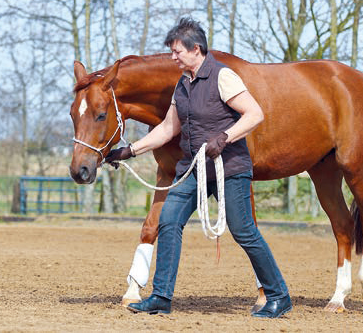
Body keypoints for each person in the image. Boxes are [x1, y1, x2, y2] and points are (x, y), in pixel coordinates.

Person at [104, 17, 292, 318]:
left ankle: (279, 296)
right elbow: (168, 128)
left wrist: (224, 137)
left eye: (177, 51)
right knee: (169, 221)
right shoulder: (184, 84)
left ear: (196, 49)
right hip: (193, 168)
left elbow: (255, 114)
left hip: (229, 167)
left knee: (243, 231)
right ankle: (161, 297)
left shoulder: (222, 76)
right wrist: (129, 151)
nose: (173, 57)